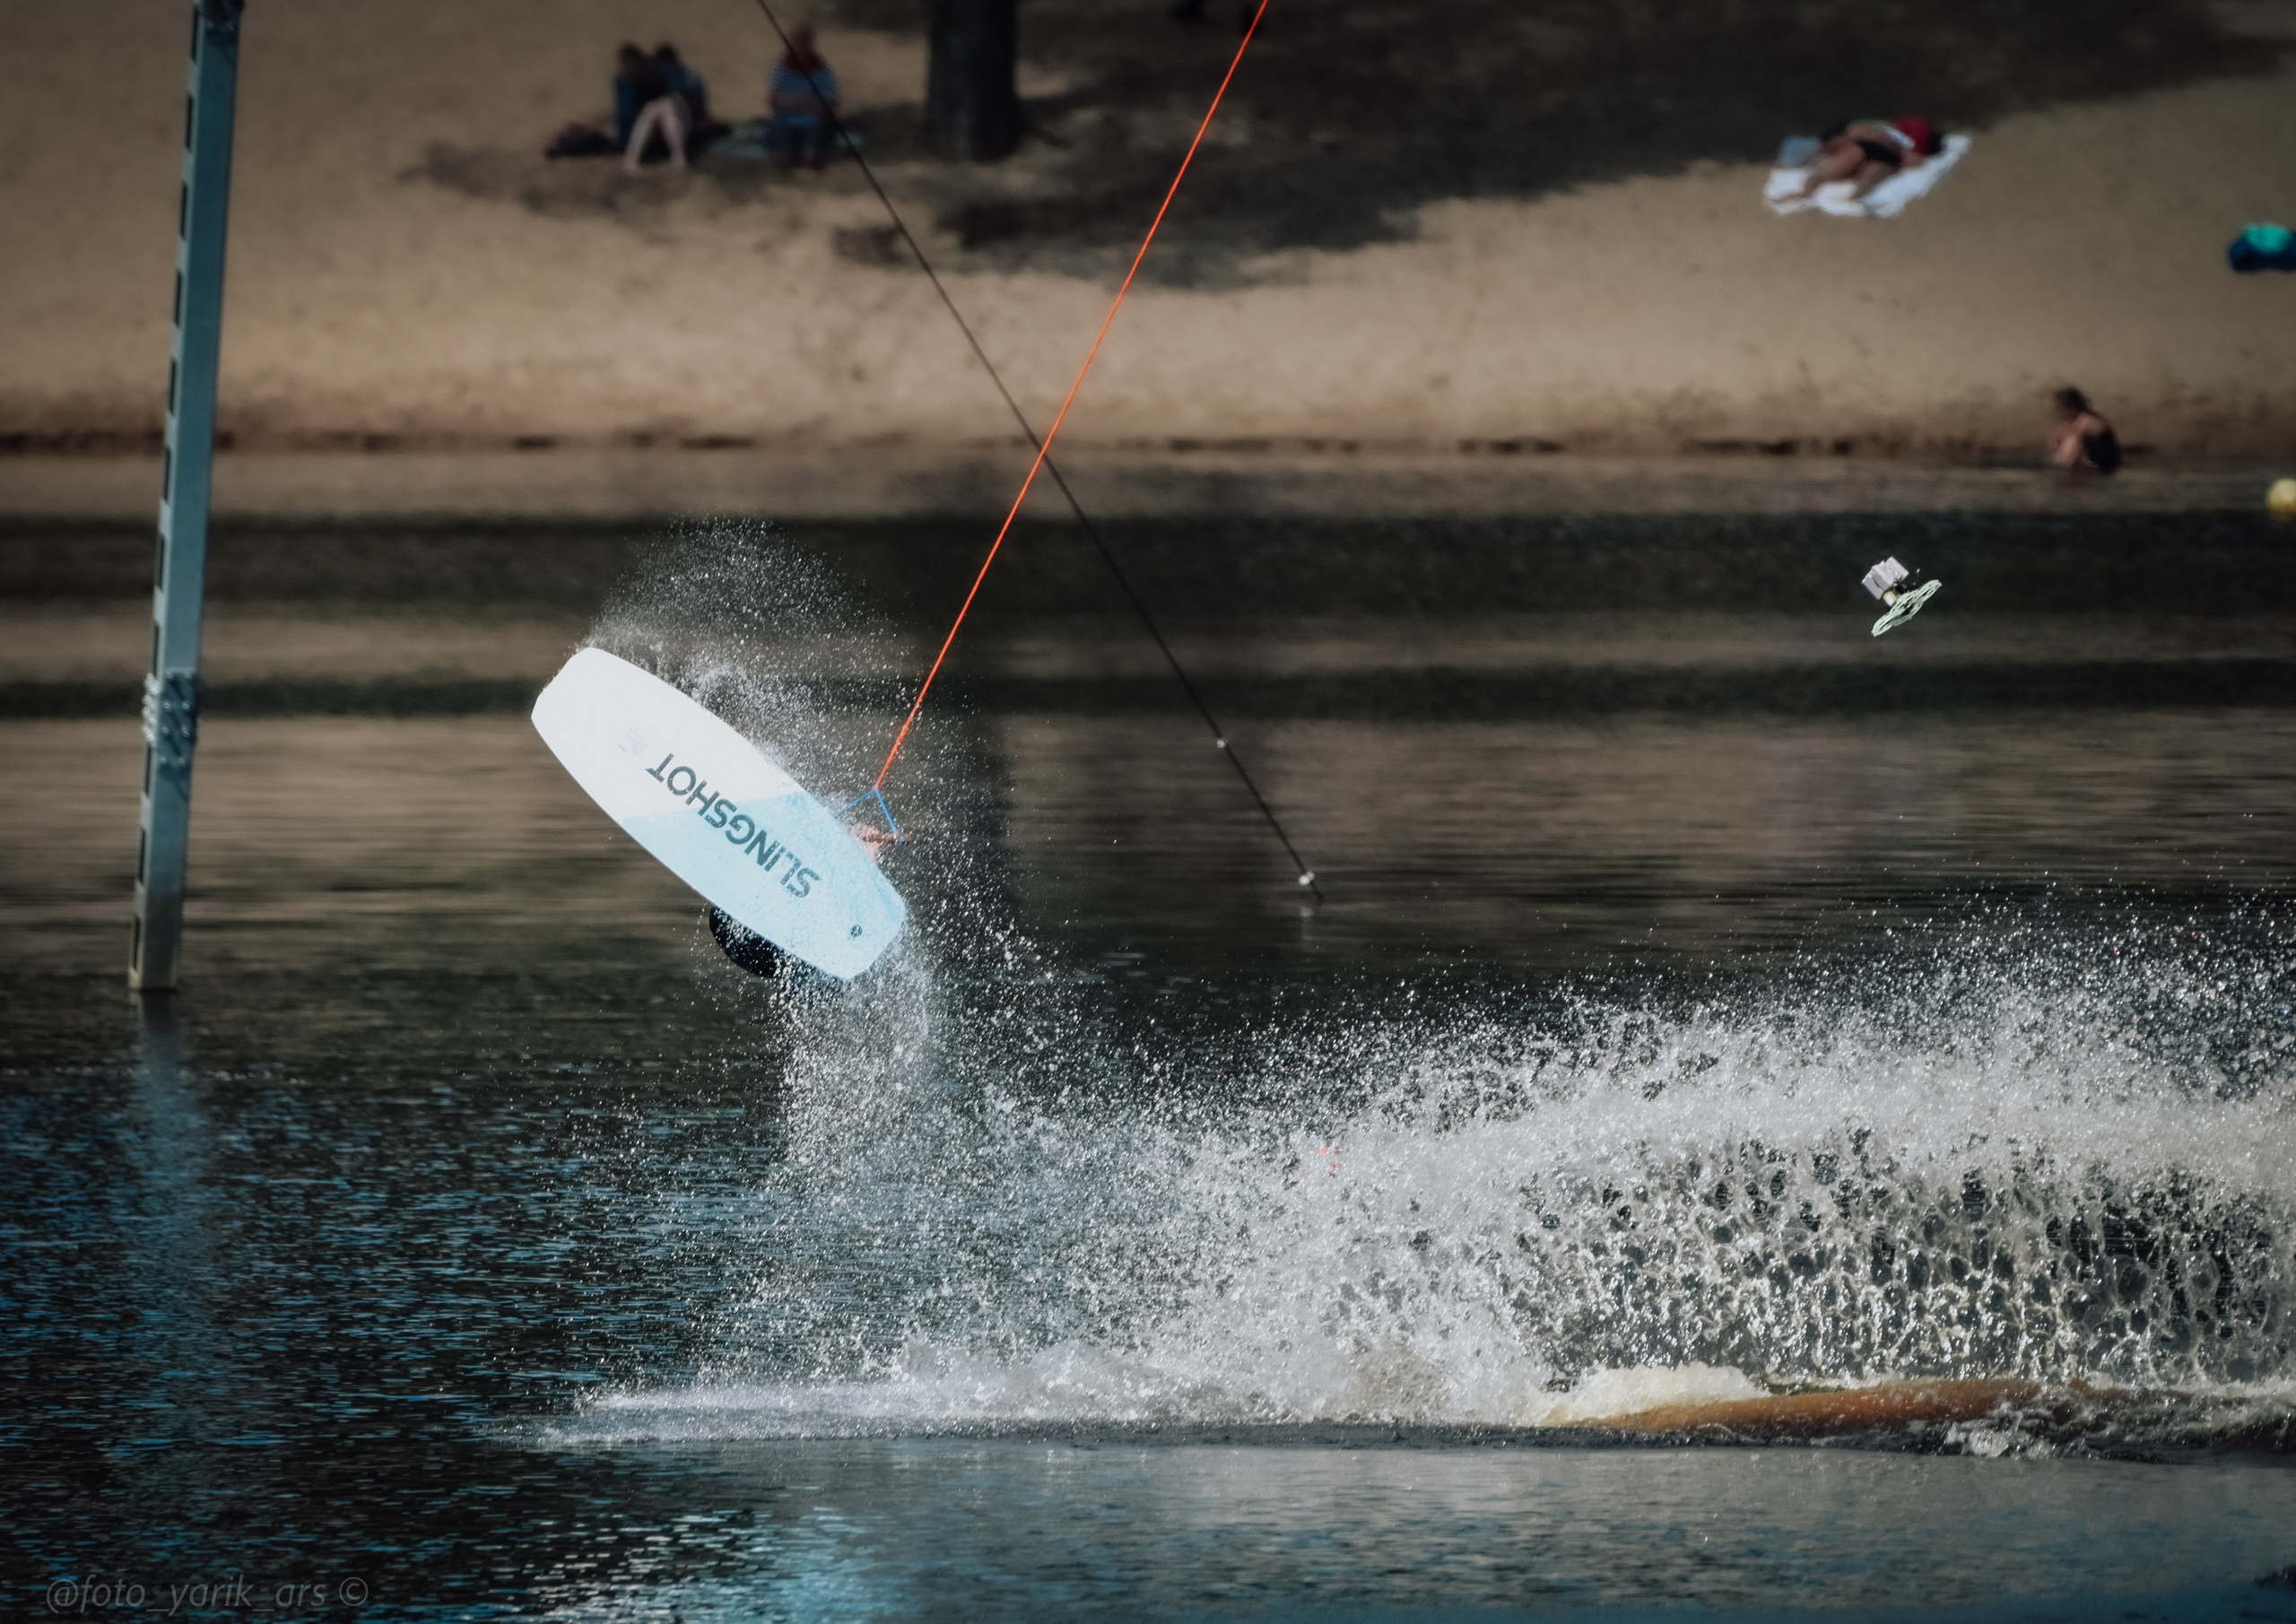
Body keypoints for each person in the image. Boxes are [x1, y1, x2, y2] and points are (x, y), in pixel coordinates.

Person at [1794, 116, 1943, 201]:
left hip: (1881, 149)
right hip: (1884, 150)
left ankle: (1851, 196)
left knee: (1864, 159)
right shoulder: (1859, 138)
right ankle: (1853, 196)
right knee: (1868, 165)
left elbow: (1911, 157)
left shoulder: (1858, 138)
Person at [769, 22, 840, 169]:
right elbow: (776, 100)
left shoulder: (821, 68)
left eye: (805, 41)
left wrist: (794, 100)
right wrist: (808, 101)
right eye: (798, 41)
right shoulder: (783, 68)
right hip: (786, 117)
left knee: (814, 144)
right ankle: (785, 157)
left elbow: (828, 101)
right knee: (781, 139)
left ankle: (811, 155)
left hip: (814, 118)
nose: (801, 46)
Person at [623, 42, 693, 174]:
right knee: (653, 108)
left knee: (665, 106)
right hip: (652, 127)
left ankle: (678, 156)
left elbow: (680, 98)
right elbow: (626, 113)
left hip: (679, 122)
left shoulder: (666, 73)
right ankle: (633, 159)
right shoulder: (627, 82)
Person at [2048, 386, 2121, 476]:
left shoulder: (2084, 423)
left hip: (2098, 471)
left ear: (2069, 408)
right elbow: (2054, 440)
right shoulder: (2093, 416)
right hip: (2110, 468)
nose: (2058, 413)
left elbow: (2068, 458)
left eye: (2060, 409)